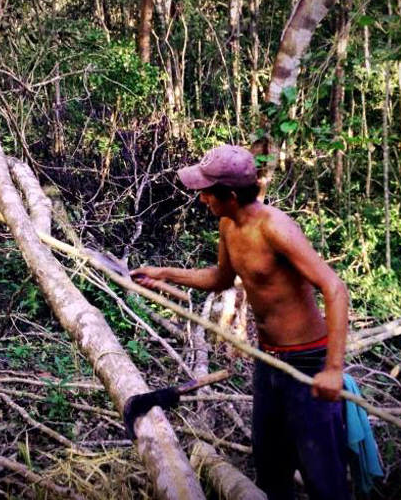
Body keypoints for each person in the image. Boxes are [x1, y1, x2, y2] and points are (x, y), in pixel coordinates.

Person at [132, 144, 350, 500]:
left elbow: (335, 288)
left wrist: (334, 368)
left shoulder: (276, 228)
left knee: (324, 479)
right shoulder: (228, 225)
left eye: (206, 192)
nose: (202, 199)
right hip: (268, 362)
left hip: (307, 365)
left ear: (230, 195)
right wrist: (163, 274)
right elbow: (220, 277)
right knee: (271, 470)